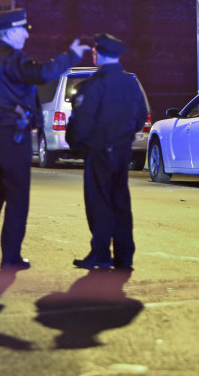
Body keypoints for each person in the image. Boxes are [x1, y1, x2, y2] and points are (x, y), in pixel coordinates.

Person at [0, 9, 91, 271]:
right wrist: (70, 56)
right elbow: (41, 73)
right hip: (13, 135)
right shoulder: (11, 58)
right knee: (17, 196)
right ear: (11, 32)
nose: (26, 35)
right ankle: (10, 256)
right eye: (23, 30)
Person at [66, 33, 148, 271]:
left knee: (99, 202)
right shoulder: (130, 83)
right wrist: (125, 135)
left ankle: (100, 253)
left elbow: (82, 120)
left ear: (98, 54)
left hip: (99, 150)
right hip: (122, 150)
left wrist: (78, 145)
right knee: (120, 201)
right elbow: (141, 114)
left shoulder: (95, 84)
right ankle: (124, 256)